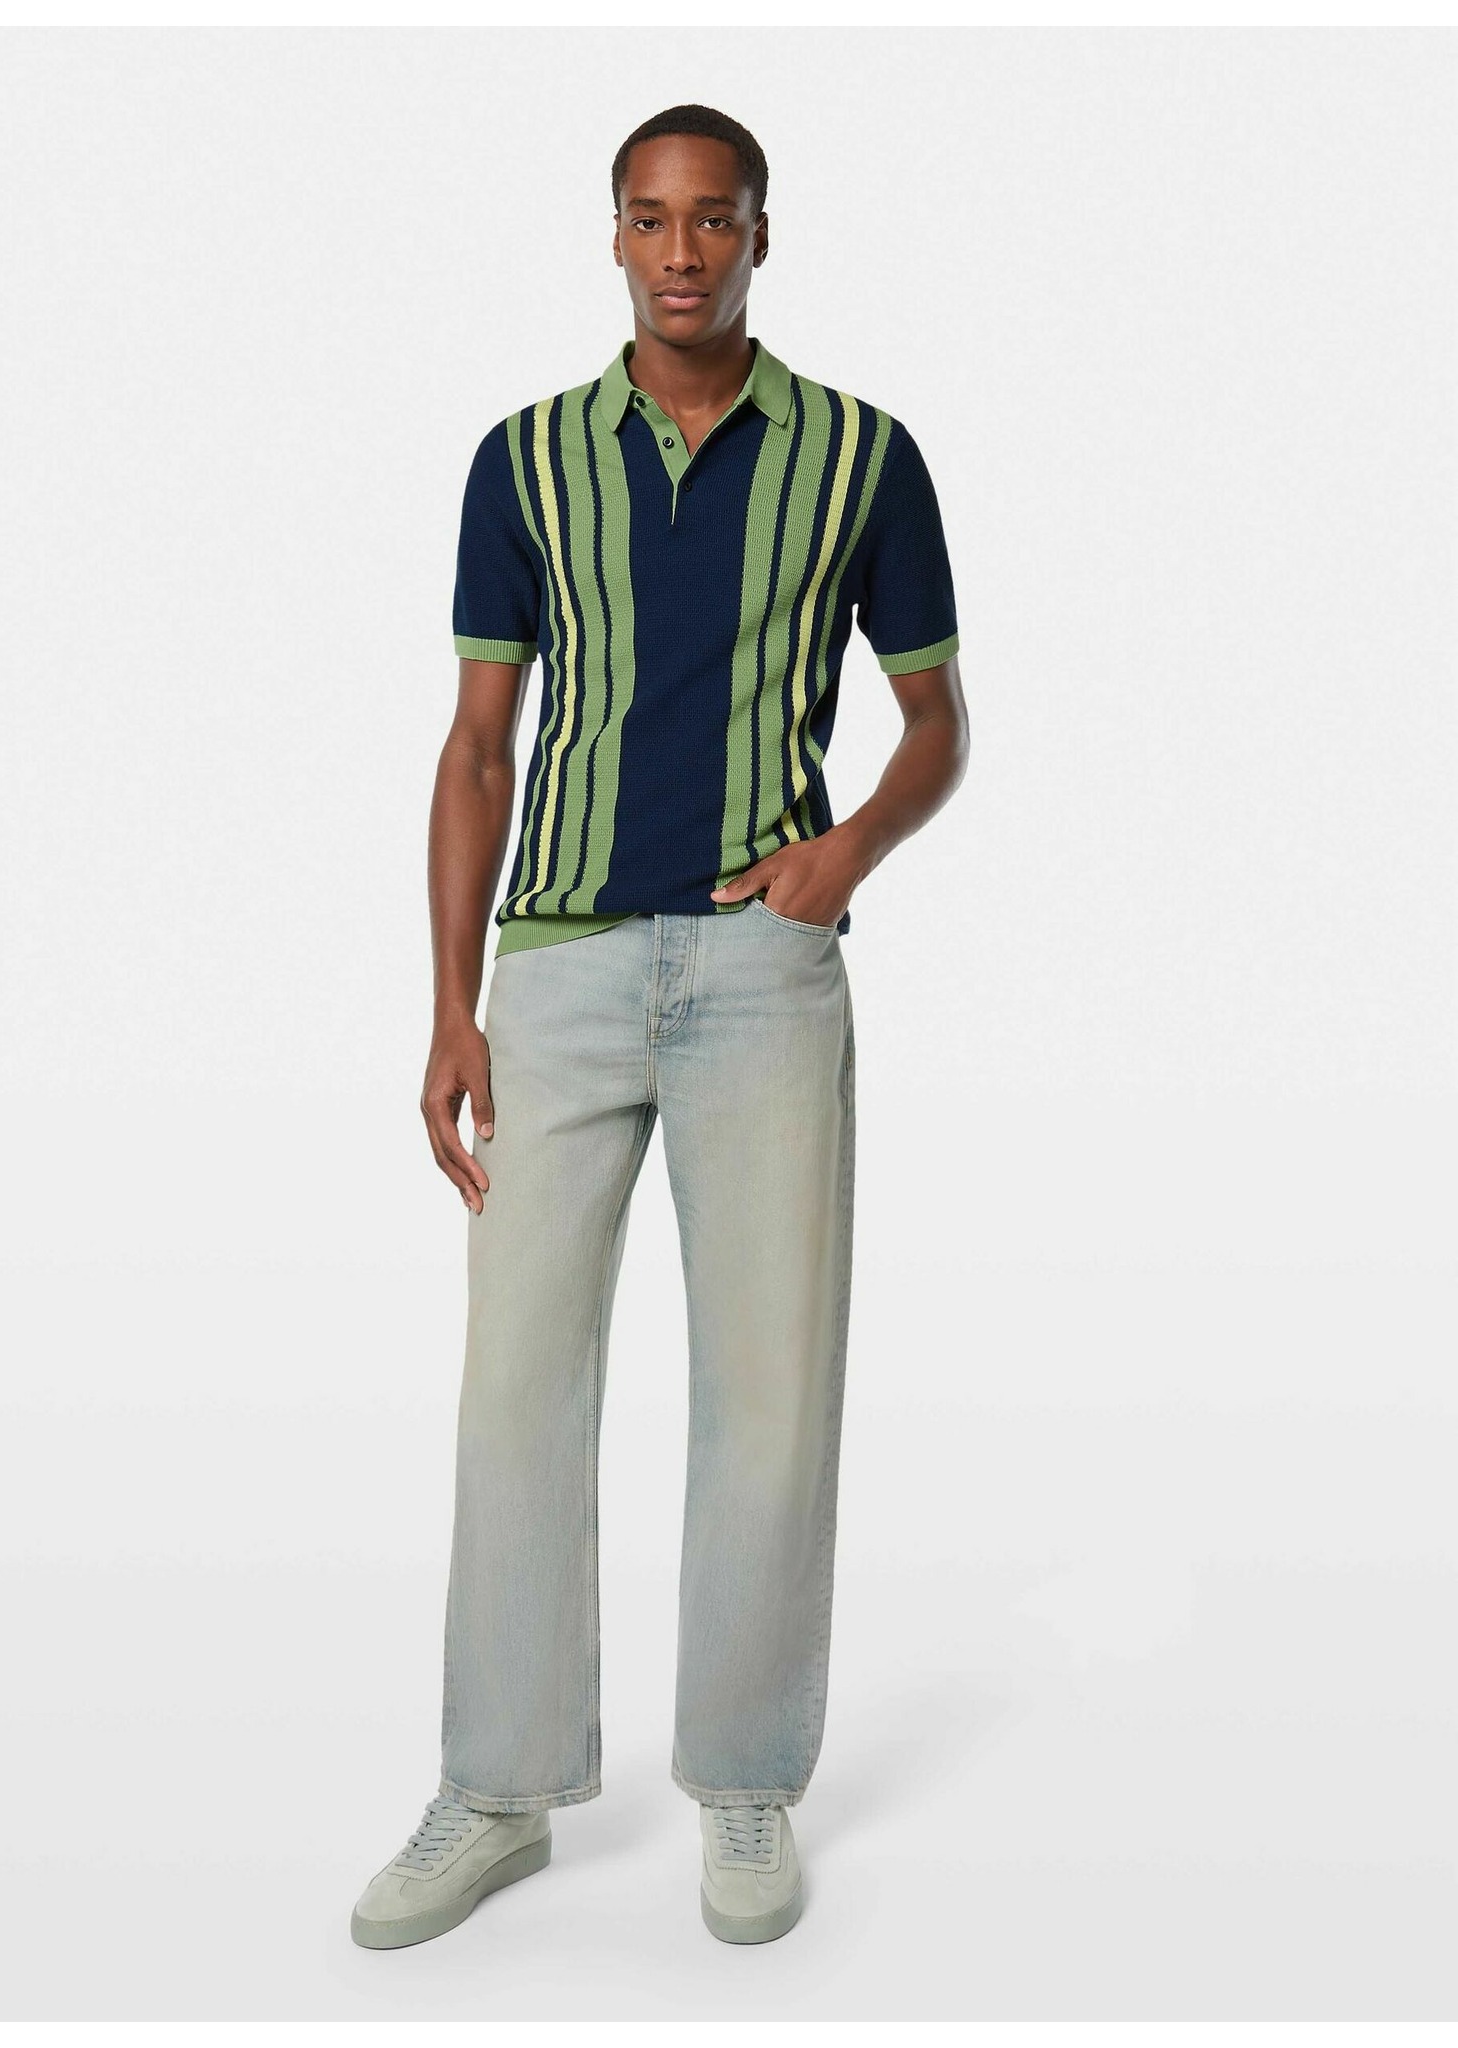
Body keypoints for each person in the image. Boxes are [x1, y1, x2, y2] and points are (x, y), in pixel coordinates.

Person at [350, 101, 969, 1952]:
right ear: (612, 237)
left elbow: (938, 720)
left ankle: (747, 1782)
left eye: (713, 219)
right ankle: (497, 1788)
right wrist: (449, 1007)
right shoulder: (524, 460)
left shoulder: (863, 456)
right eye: (648, 218)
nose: (680, 252)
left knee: (768, 1390)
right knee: (515, 1388)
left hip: (763, 969)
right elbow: (478, 746)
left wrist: (844, 853)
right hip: (555, 967)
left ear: (763, 234)